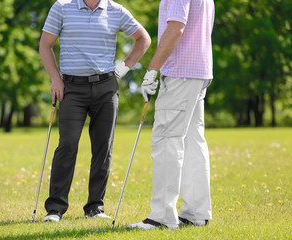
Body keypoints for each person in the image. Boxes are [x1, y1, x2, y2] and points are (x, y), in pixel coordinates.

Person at [39, 0, 151, 222]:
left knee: (103, 148)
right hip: (71, 88)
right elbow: (45, 45)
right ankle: (55, 209)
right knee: (68, 144)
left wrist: (124, 67)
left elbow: (143, 38)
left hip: (106, 88)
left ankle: (95, 207)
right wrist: (55, 79)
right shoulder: (62, 6)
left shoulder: (116, 10)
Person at [128, 0, 215, 230]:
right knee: (193, 142)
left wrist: (152, 69)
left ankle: (162, 217)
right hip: (199, 70)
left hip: (180, 72)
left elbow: (176, 28)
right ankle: (196, 213)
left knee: (167, 140)